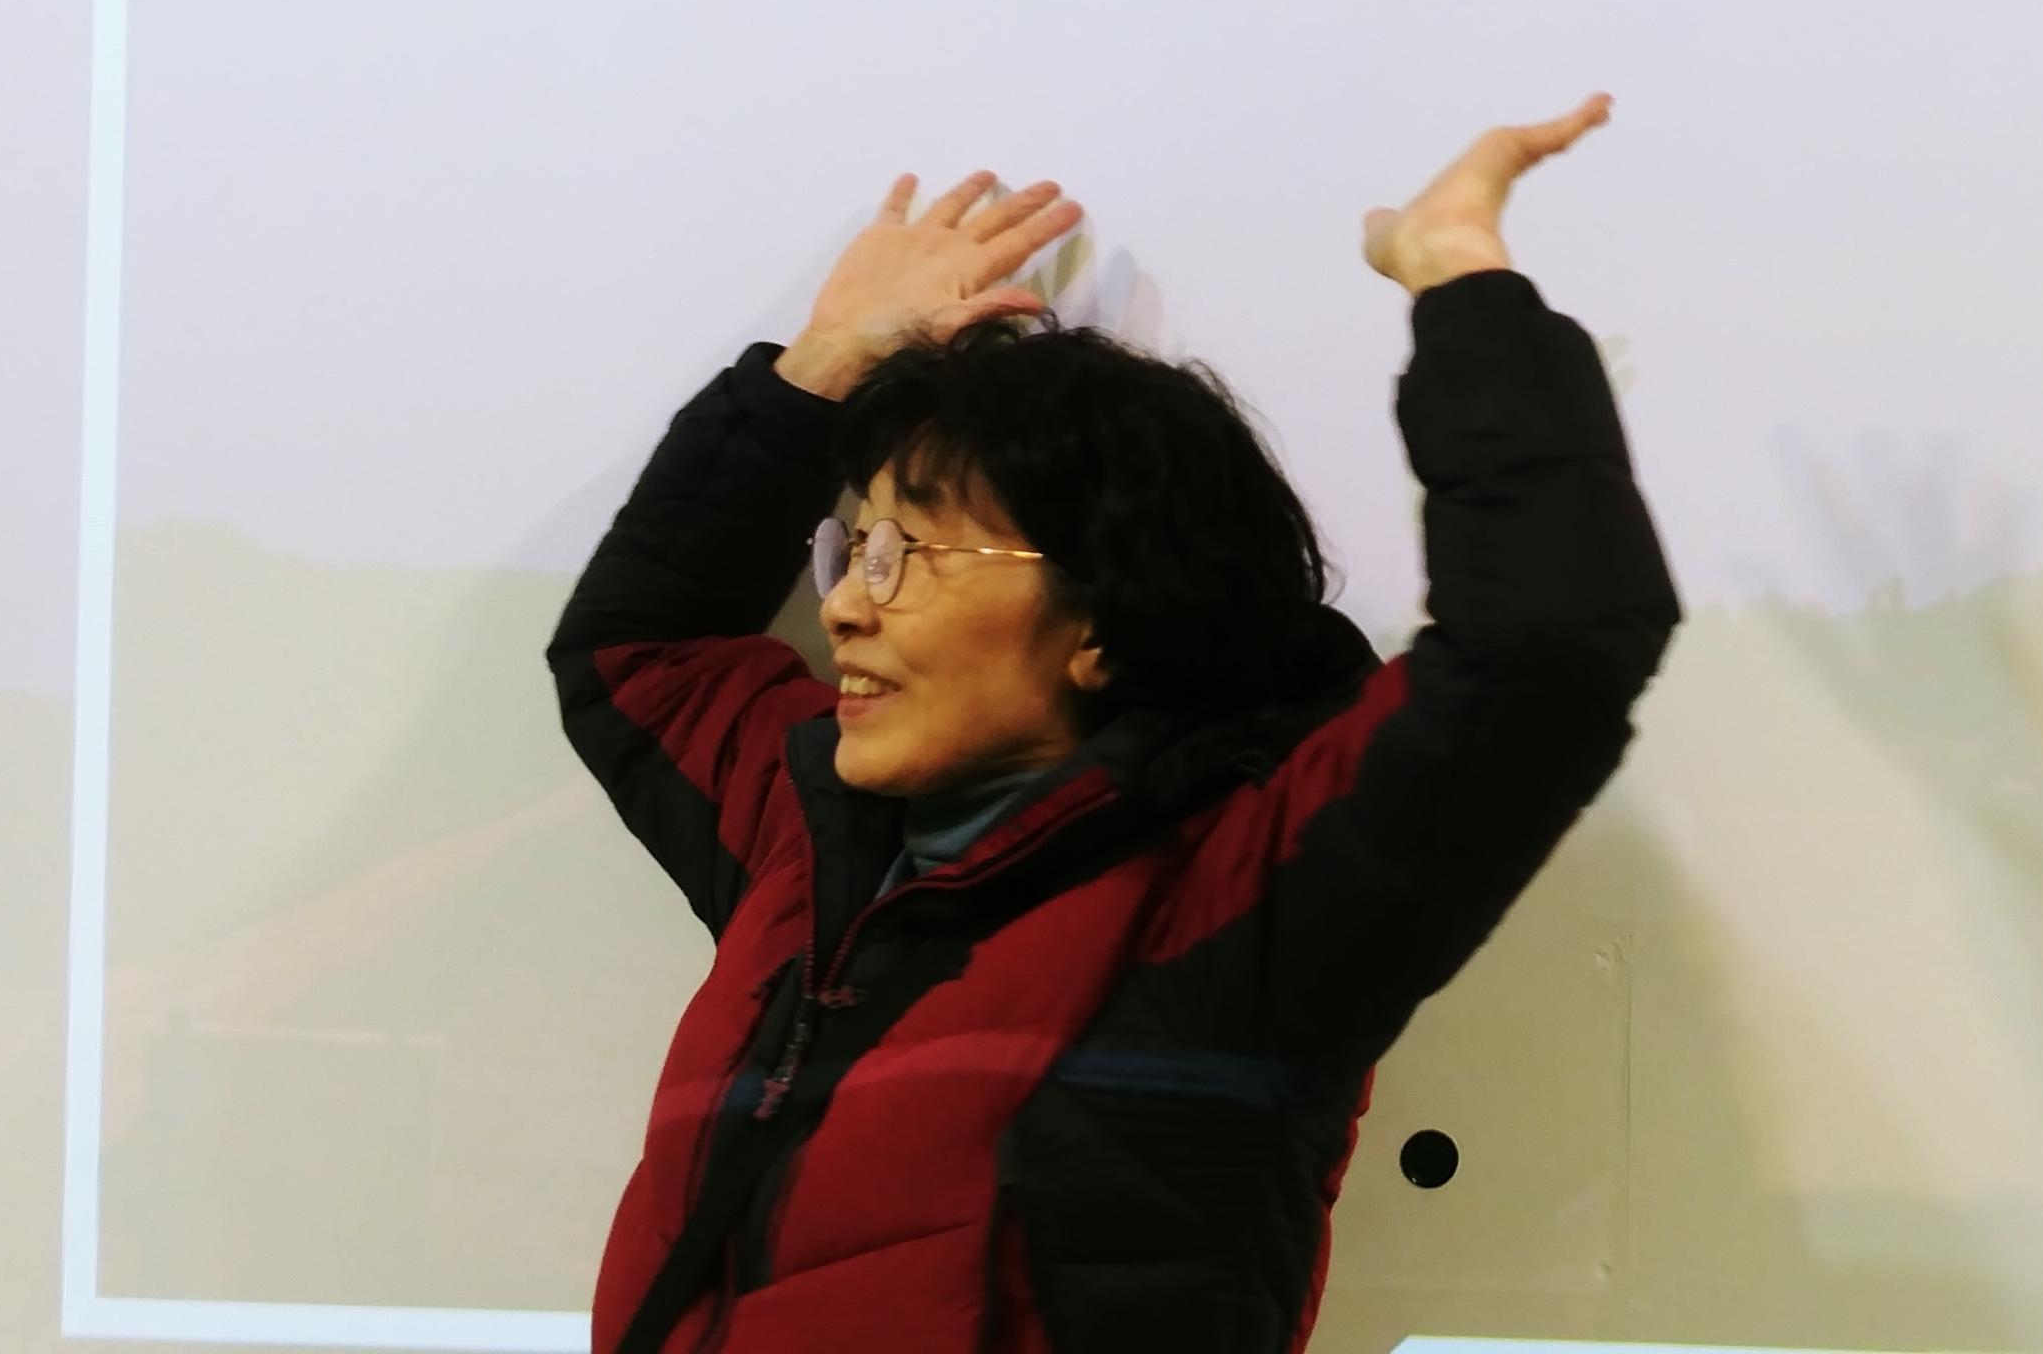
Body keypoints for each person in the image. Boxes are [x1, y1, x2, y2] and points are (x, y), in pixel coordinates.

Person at [546, 95, 1679, 1354]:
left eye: (911, 553)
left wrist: (1460, 282)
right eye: (850, 546)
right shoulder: (808, 836)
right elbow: (638, 654)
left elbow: (1551, 648)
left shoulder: (1232, 902)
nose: (847, 607)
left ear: (1104, 620)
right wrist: (819, 362)